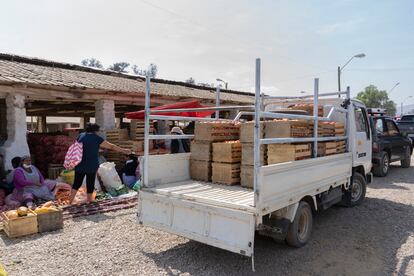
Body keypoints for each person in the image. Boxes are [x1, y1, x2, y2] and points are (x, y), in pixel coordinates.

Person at [69, 123, 131, 204]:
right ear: (95, 131)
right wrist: (124, 150)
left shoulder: (81, 135)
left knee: (76, 183)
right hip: (91, 164)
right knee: (90, 182)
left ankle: (70, 201)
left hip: (79, 163)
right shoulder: (96, 138)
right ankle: (89, 200)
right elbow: (111, 146)